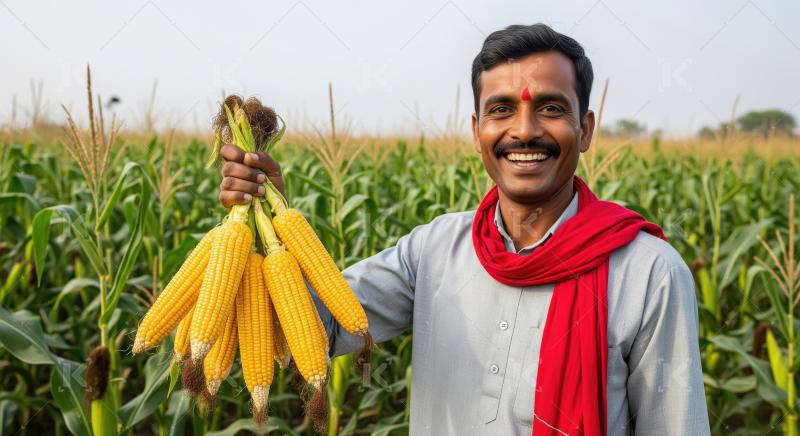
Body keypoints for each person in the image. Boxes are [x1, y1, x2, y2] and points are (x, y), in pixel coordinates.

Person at [217, 23, 711, 436]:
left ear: (584, 130)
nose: (524, 130)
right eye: (502, 110)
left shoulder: (650, 273)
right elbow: (311, 329)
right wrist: (268, 218)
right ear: (477, 131)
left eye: (551, 108)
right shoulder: (432, 251)